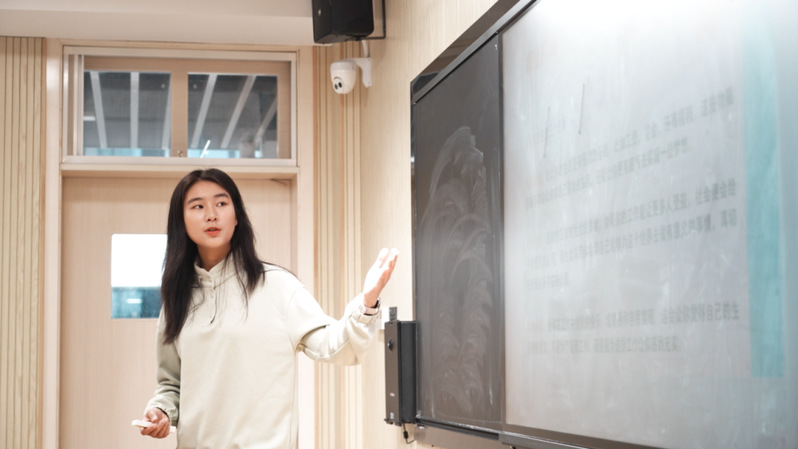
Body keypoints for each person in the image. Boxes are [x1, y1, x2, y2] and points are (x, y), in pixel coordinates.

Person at [138, 168, 398, 448]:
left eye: (221, 203)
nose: (211, 214)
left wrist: (366, 304)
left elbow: (336, 347)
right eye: (198, 206)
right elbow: (171, 384)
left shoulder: (278, 286)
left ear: (237, 216)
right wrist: (161, 411)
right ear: (181, 221)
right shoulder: (177, 299)